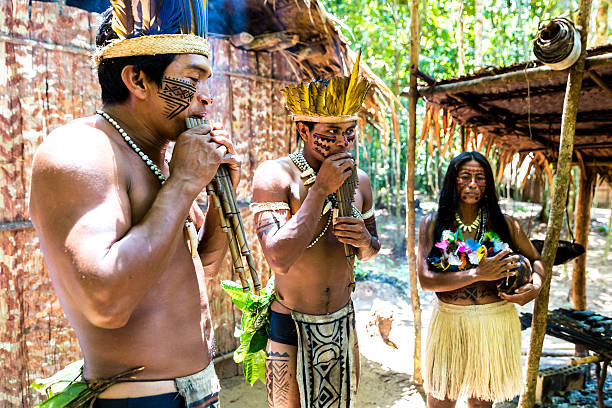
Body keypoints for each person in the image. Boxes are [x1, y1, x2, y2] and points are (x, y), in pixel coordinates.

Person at [28, 3, 237, 407]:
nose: (206, 97)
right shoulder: (81, 150)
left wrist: (214, 195)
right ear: (138, 79)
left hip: (199, 391)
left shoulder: (162, 159)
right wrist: (182, 185)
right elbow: (106, 302)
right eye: (193, 77)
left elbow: (200, 272)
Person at [251, 52, 381, 408]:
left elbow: (371, 250)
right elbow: (278, 258)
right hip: (290, 324)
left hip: (342, 320)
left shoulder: (361, 181)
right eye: (330, 133)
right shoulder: (275, 177)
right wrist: (321, 189)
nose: (341, 143)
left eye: (349, 133)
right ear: (303, 130)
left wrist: (365, 242)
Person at [417, 151, 546, 408]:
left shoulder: (506, 224)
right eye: (465, 176)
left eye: (480, 177)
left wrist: (536, 285)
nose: (473, 184)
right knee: (441, 399)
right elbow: (426, 280)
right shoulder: (433, 223)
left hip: (494, 323)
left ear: (488, 184)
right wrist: (477, 273)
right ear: (453, 182)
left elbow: (537, 260)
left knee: (480, 403)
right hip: (450, 322)